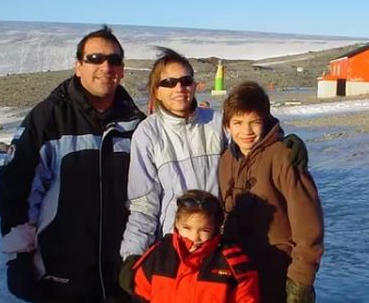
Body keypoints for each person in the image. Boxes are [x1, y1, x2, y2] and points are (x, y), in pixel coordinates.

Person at [0, 25, 145, 303]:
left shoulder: (136, 124)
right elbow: (16, 189)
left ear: (122, 69)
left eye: (114, 60)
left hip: (117, 279)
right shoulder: (48, 118)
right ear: (78, 65)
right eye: (95, 58)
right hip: (59, 276)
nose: (105, 66)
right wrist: (19, 257)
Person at [118, 47, 307, 285]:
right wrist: (132, 254)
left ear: (194, 85)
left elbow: (251, 146)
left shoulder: (215, 122)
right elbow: (144, 206)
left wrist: (280, 140)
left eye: (186, 80)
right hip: (177, 247)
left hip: (220, 247)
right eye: (169, 82)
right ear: (156, 90)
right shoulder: (147, 134)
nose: (179, 87)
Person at [219, 81, 324, 303]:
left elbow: (308, 224)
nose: (246, 131)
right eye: (238, 123)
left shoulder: (284, 157)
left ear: (265, 121)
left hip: (278, 279)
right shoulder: (227, 160)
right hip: (240, 282)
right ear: (227, 125)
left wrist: (301, 279)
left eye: (254, 122)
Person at [122, 189, 259, 303]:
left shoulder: (231, 263)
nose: (195, 237)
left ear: (216, 227)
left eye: (204, 230)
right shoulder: (159, 256)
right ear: (177, 223)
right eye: (187, 228)